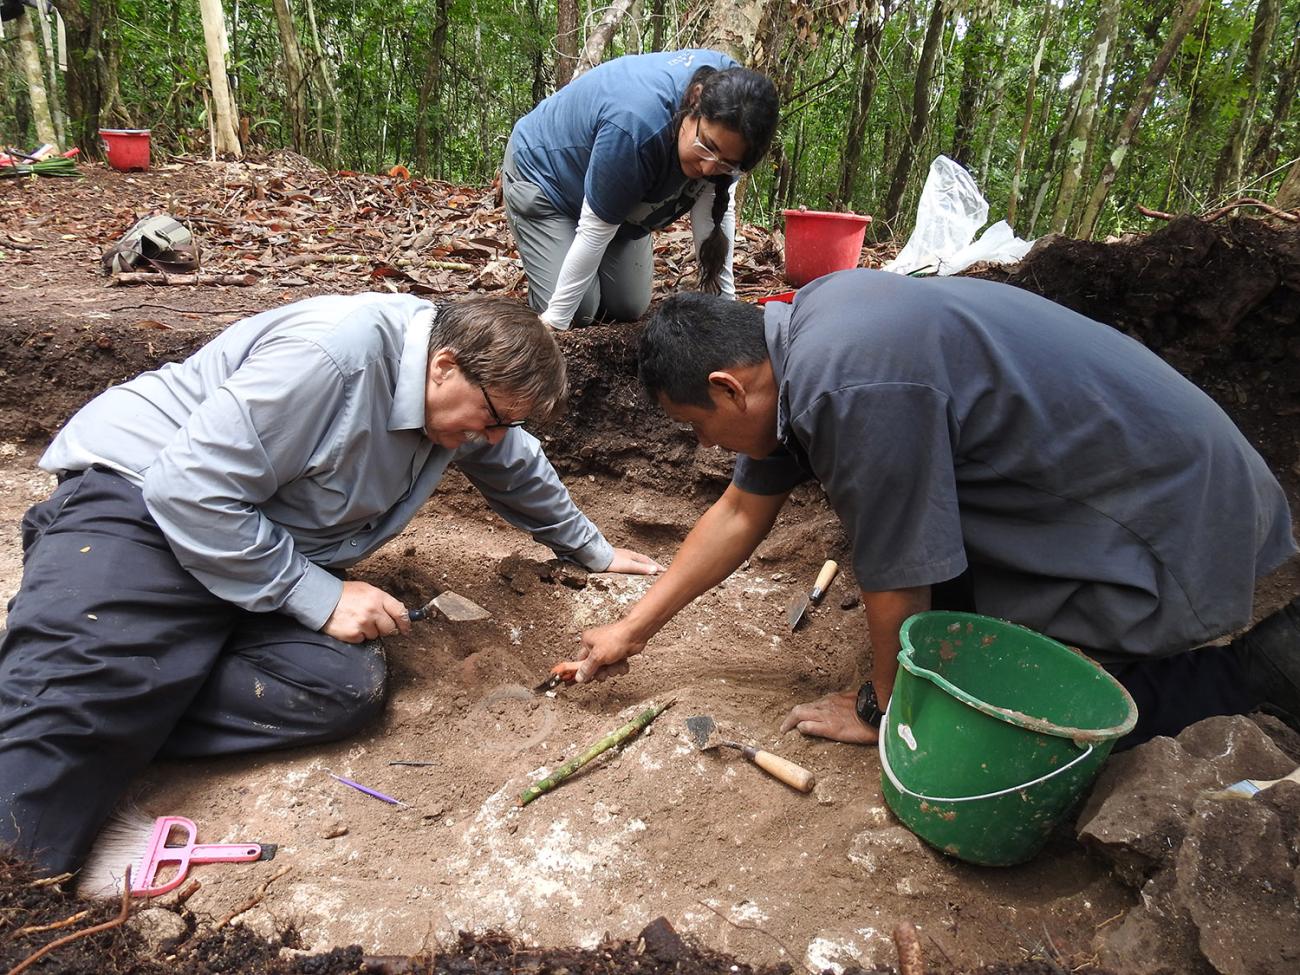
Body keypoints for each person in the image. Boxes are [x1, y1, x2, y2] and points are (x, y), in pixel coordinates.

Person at [0, 292, 662, 876]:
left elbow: (515, 463)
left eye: (504, 425)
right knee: (67, 714)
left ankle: (113, 681)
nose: (491, 439)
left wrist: (593, 550)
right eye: (490, 420)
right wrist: (317, 594)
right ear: (445, 365)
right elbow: (189, 487)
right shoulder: (332, 358)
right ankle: (48, 747)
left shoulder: (469, 400)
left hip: (253, 544)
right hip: (144, 505)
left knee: (342, 685)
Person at [559, 269, 1300, 749]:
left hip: (1160, 498)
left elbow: (898, 571)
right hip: (1130, 458)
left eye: (698, 427)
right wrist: (631, 629)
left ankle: (1262, 672)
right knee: (953, 627)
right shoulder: (803, 336)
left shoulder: (845, 383)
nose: (712, 446)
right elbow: (740, 511)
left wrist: (882, 708)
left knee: (1044, 729)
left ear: (728, 387)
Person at [502, 49, 779, 331]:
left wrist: (726, 309)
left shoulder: (740, 109)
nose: (709, 169)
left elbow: (715, 211)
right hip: (548, 180)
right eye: (706, 147)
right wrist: (554, 321)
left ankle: (580, 255)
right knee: (578, 312)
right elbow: (594, 231)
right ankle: (552, 259)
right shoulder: (637, 126)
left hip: (614, 200)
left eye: (726, 163)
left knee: (628, 306)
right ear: (694, 100)